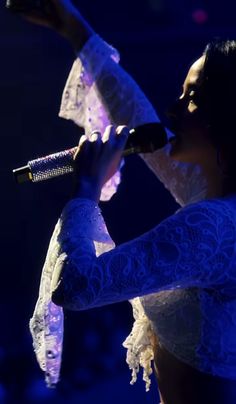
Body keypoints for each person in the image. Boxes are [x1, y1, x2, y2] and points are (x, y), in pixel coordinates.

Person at [19, 1, 236, 403]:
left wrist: (87, 185)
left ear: (226, 117)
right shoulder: (218, 202)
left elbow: (77, 287)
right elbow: (140, 122)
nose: (173, 108)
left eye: (192, 97)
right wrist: (76, 31)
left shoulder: (212, 224)